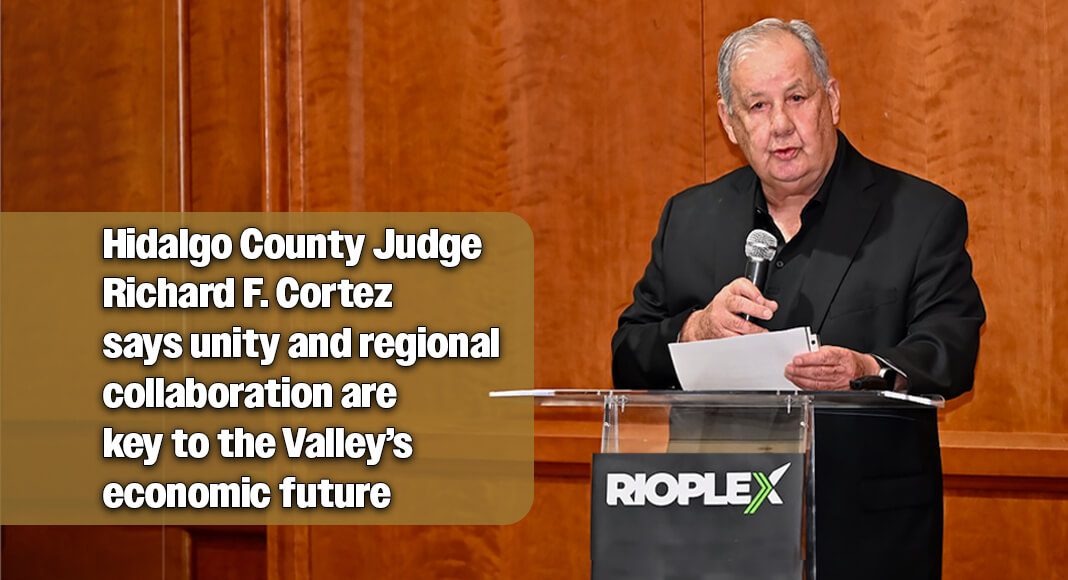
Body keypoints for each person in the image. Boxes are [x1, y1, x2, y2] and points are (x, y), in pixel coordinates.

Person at [611, 18, 985, 580]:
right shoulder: (688, 218)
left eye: (797, 98)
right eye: (757, 106)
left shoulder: (921, 216)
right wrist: (694, 331)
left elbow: (950, 350)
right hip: (714, 533)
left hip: (862, 538)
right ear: (729, 122)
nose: (781, 125)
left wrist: (866, 368)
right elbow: (628, 353)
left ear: (830, 100)